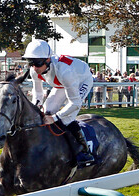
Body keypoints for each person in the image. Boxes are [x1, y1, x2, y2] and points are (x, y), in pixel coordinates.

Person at [23, 39, 96, 167]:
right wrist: (36, 109)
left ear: (48, 60)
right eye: (31, 63)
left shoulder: (64, 71)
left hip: (81, 79)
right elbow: (38, 95)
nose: (34, 67)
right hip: (62, 84)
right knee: (46, 111)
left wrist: (55, 117)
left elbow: (75, 103)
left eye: (38, 63)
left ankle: (85, 151)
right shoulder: (34, 71)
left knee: (67, 118)